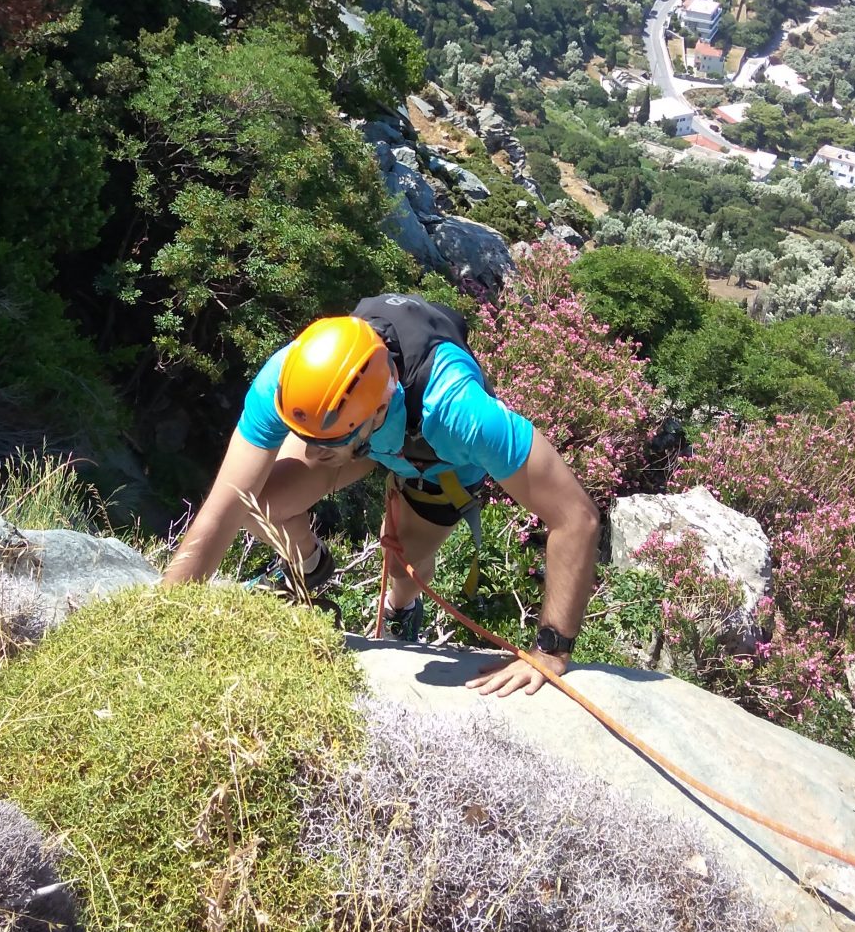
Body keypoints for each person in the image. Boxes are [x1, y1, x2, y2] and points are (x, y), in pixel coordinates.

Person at [160, 293, 600, 698]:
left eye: (321, 442)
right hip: (359, 436)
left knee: (406, 567)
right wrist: (160, 622)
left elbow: (575, 518)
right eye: (305, 437)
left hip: (439, 462)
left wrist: (550, 651)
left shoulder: (459, 410)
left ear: (377, 411)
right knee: (260, 506)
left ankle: (403, 609)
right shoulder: (291, 381)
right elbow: (225, 506)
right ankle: (309, 565)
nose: (310, 451)